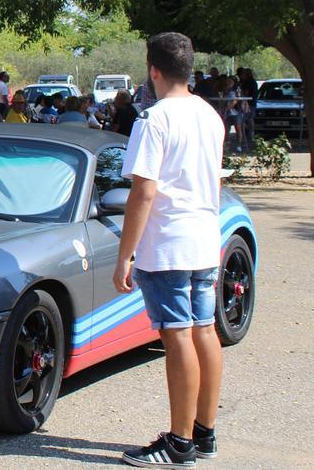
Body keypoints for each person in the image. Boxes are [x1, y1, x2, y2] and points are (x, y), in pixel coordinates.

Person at [114, 32, 227, 468]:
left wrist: (126, 254)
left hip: (169, 244)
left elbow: (143, 192)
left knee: (177, 334)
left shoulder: (153, 120)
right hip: (203, 237)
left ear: (153, 70)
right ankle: (204, 433)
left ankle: (179, 443)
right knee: (203, 329)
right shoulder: (209, 115)